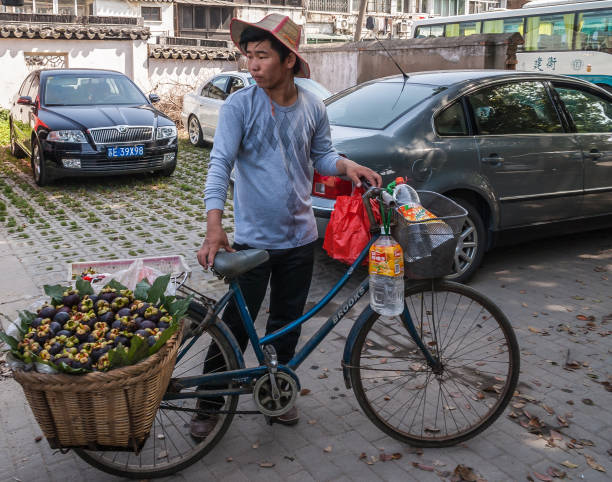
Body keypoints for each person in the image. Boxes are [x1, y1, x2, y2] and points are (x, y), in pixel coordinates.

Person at [193, 13, 381, 439]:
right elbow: (220, 164)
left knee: (287, 323)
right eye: (249, 56)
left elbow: (322, 156)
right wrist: (214, 226)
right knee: (236, 328)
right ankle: (208, 404)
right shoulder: (241, 105)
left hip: (300, 239)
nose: (253, 65)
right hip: (254, 242)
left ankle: (276, 395)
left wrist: (347, 165)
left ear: (289, 60)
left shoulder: (313, 107)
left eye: (262, 56)